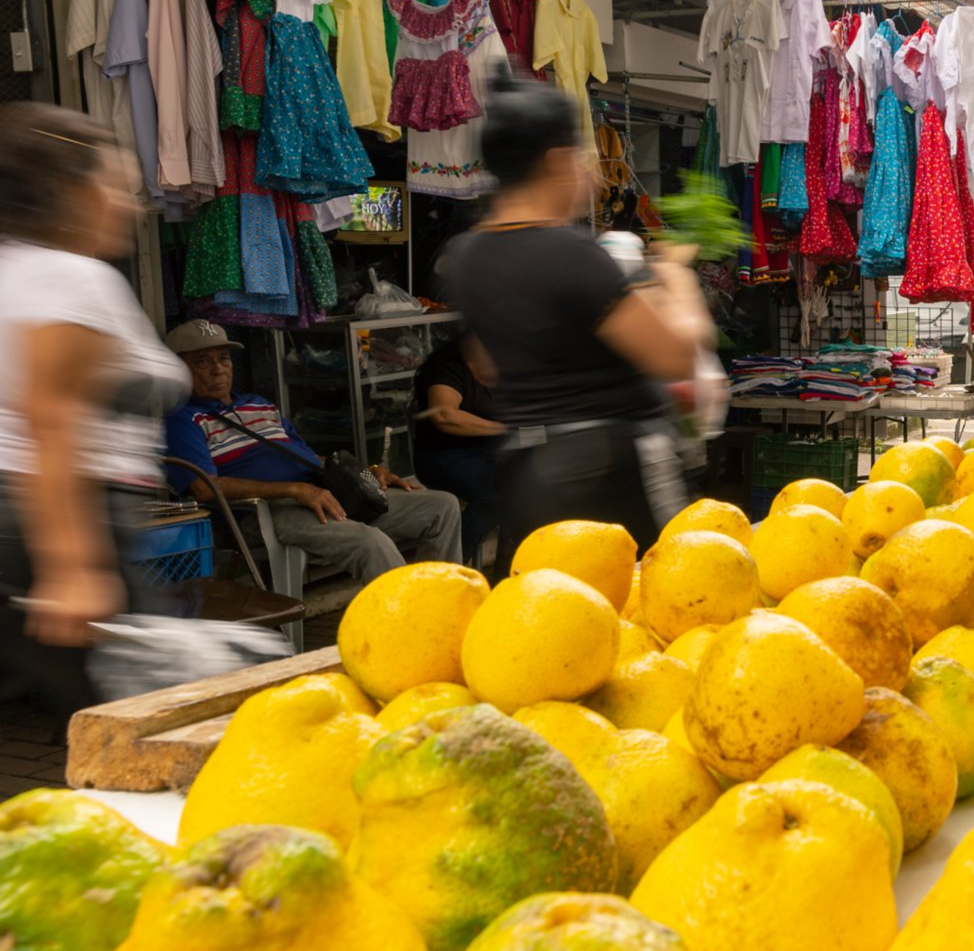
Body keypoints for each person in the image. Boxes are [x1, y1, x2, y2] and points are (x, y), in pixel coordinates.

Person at [448, 76, 714, 549]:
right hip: (611, 474)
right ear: (556, 162)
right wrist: (674, 277)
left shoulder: (466, 256)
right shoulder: (569, 253)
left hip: (528, 475)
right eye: (582, 159)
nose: (591, 175)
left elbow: (486, 365)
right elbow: (675, 356)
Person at [0, 104, 189, 717]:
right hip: (69, 520)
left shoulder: (17, 271)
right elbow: (52, 422)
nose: (132, 206)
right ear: (66, 190)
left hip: (35, 521)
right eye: (116, 185)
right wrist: (73, 566)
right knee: (151, 717)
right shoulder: (70, 280)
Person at [163, 321, 462, 585]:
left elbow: (308, 458)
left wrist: (367, 472)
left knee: (442, 506)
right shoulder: (181, 420)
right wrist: (294, 490)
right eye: (203, 361)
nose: (218, 369)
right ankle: (406, 635)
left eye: (224, 358)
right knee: (371, 543)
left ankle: (442, 605)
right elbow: (204, 487)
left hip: (323, 494)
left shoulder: (259, 404)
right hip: (266, 511)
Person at [411, 334, 505, 579]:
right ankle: (446, 573)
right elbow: (444, 415)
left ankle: (511, 576)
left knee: (531, 489)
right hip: (444, 454)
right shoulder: (448, 366)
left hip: (492, 452)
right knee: (493, 496)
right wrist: (504, 430)